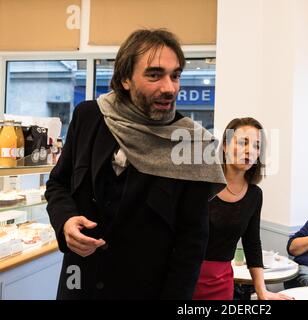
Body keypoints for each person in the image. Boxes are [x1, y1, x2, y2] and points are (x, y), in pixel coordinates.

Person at [45, 29, 226, 299]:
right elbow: (58, 184)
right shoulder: (89, 117)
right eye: (154, 75)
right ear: (125, 79)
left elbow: (192, 244)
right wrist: (66, 220)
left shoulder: (192, 144)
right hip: (79, 284)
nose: (169, 88)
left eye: (175, 75)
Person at [192, 118, 293, 300]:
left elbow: (252, 243)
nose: (250, 151)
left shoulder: (254, 195)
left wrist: (262, 291)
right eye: (242, 142)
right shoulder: (201, 184)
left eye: (256, 146)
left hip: (221, 281)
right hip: (186, 276)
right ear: (224, 146)